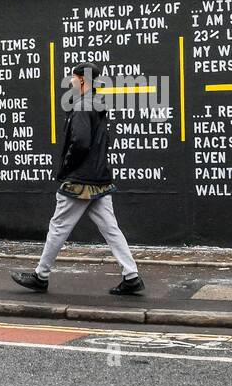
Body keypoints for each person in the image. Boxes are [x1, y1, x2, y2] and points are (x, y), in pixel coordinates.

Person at [12, 62, 144, 296]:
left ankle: (41, 276)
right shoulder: (96, 104)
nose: (70, 81)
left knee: (58, 227)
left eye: (73, 77)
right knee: (111, 230)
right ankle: (131, 277)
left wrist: (65, 168)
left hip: (80, 180)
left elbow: (81, 142)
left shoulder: (83, 105)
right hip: (99, 179)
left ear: (82, 80)